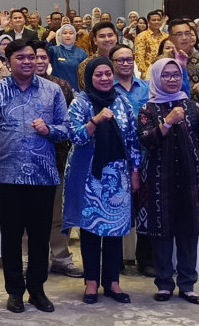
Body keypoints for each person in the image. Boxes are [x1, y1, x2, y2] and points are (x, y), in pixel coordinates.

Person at [0, 39, 71, 314]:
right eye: (21, 58)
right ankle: (14, 291)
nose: (27, 62)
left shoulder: (52, 90)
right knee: (11, 236)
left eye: (32, 57)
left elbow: (67, 127)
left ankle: (37, 289)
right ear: (8, 61)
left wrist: (49, 130)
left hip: (42, 174)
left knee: (39, 236)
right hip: (7, 174)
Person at [64, 57, 141, 304]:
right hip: (89, 176)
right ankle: (91, 283)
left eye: (108, 73)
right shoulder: (80, 102)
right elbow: (74, 136)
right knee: (90, 230)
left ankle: (112, 282)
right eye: (99, 74)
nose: (105, 78)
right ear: (89, 77)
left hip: (118, 176)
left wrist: (135, 171)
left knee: (114, 230)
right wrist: (95, 120)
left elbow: (133, 139)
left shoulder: (122, 101)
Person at [137, 58, 199, 304]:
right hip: (158, 179)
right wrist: (168, 121)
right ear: (156, 78)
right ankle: (164, 284)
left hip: (190, 179)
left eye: (176, 75)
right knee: (161, 232)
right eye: (166, 75)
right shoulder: (148, 109)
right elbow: (146, 139)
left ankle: (187, 284)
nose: (172, 79)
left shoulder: (192, 106)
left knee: (189, 231)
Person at [30, 41, 83, 279]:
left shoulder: (62, 86)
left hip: (57, 157)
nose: (39, 61)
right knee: (27, 214)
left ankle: (61, 258)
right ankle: (28, 259)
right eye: (34, 57)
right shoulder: (17, 87)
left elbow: (70, 124)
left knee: (57, 214)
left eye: (43, 57)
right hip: (27, 161)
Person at [109, 44, 154, 277]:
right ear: (112, 63)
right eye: (120, 60)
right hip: (116, 159)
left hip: (146, 156)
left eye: (129, 59)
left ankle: (146, 259)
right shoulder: (107, 89)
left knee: (146, 208)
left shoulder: (146, 88)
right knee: (116, 208)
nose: (125, 63)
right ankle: (114, 259)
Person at [47, 24, 88, 92]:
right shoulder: (54, 50)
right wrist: (49, 38)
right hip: (57, 90)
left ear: (75, 36)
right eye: (65, 33)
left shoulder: (81, 53)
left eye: (71, 33)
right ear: (60, 36)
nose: (68, 35)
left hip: (76, 91)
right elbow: (40, 52)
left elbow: (85, 75)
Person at [78, 21, 119, 90]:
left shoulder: (124, 61)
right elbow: (87, 91)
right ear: (95, 40)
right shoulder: (86, 64)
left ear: (116, 38)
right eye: (102, 36)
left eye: (110, 35)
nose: (107, 39)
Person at [135, 10, 168, 79]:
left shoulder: (166, 36)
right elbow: (139, 57)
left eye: (159, 20)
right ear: (148, 22)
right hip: (149, 72)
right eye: (154, 20)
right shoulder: (142, 36)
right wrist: (145, 74)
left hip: (165, 71)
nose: (157, 22)